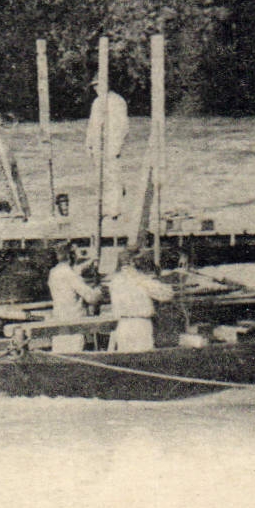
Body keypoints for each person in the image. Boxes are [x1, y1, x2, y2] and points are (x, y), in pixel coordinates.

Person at [105, 251, 170, 352]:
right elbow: (167, 294)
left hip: (123, 325)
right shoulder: (141, 279)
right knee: (143, 359)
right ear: (132, 263)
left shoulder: (114, 281)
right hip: (141, 324)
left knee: (126, 360)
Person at [86, 75, 129, 220]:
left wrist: (117, 146)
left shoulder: (117, 101)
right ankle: (105, 208)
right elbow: (92, 125)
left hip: (111, 145)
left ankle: (115, 210)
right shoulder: (97, 102)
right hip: (99, 146)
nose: (96, 88)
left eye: (98, 85)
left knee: (114, 177)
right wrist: (89, 144)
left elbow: (123, 126)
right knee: (101, 178)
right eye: (94, 86)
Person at [47, 244, 103, 353]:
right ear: (70, 256)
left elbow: (75, 270)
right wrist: (99, 290)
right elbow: (91, 298)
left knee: (60, 352)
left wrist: (90, 262)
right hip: (74, 321)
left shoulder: (53, 272)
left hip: (59, 318)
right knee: (74, 352)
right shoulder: (71, 275)